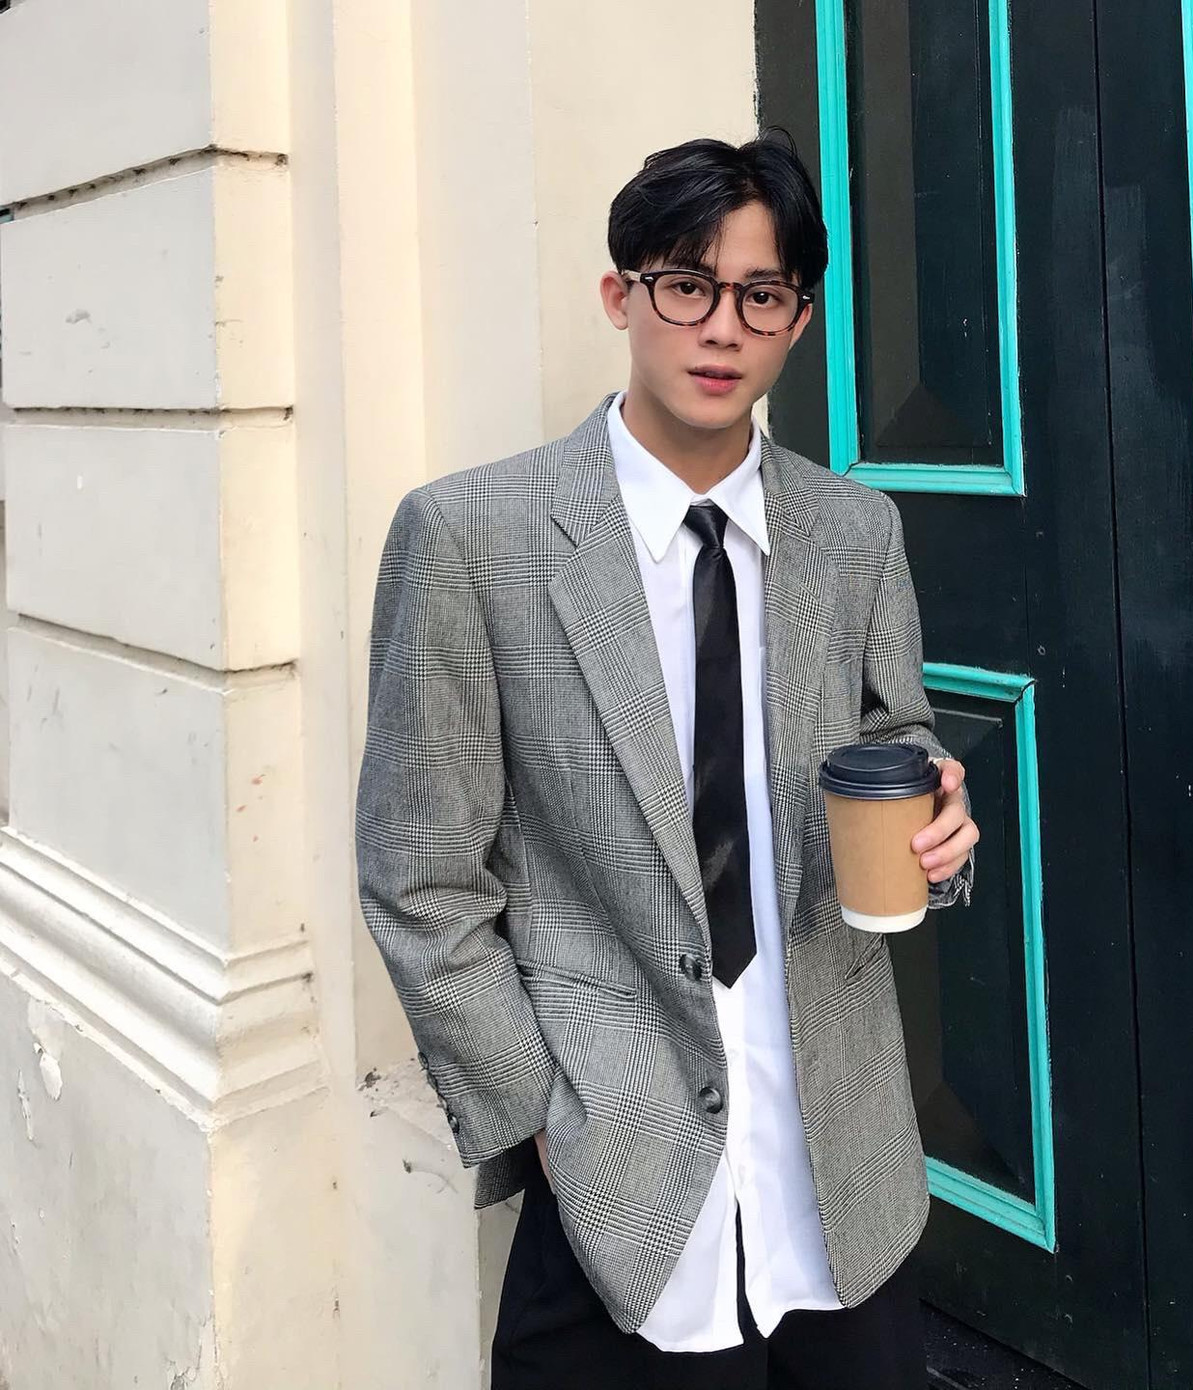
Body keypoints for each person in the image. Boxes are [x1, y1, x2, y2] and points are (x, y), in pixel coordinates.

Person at [355, 130, 979, 1389]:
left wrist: (934, 819)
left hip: (838, 1165)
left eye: (761, 295)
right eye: (686, 284)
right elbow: (419, 873)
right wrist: (537, 1112)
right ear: (620, 294)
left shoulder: (855, 531)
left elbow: (892, 738)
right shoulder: (471, 536)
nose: (721, 328)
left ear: (799, 321)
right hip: (616, 1174)